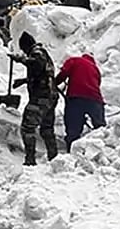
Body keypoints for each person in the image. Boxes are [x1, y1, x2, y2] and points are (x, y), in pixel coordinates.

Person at [10, 32, 58, 166]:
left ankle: (30, 159)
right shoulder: (43, 53)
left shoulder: (37, 53)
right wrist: (24, 81)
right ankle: (54, 158)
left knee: (27, 128)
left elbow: (36, 64)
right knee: (46, 129)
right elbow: (41, 74)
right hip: (50, 97)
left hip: (40, 98)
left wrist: (20, 59)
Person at [55, 53, 105, 147]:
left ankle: (72, 151)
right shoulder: (96, 69)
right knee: (100, 129)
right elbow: (97, 84)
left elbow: (64, 73)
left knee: (73, 129)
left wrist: (55, 83)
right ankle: (103, 150)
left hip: (76, 98)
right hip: (96, 100)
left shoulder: (74, 60)